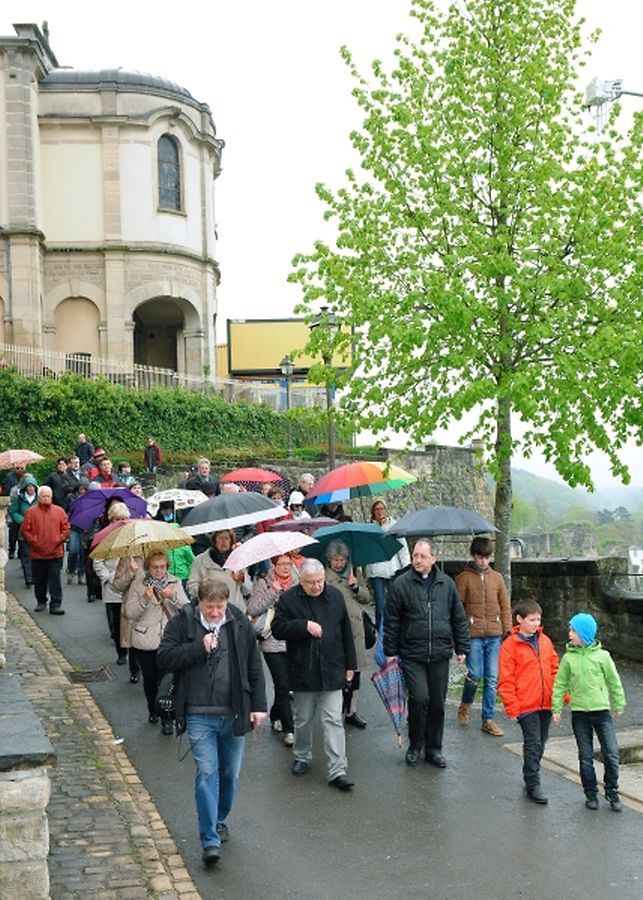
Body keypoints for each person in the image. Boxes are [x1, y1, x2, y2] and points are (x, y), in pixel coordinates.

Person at [157, 578, 267, 866]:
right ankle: (209, 839)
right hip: (198, 714)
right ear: (200, 603)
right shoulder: (183, 622)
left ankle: (218, 818)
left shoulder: (239, 622)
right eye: (210, 607)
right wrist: (198, 647)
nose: (216, 612)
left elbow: (254, 666)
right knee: (207, 772)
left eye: (220, 606)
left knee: (230, 774)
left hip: (233, 712)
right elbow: (164, 658)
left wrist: (258, 706)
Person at [272, 558, 357, 791]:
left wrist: (351, 664)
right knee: (303, 718)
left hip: (333, 667)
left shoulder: (335, 596)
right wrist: (303, 626)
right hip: (303, 670)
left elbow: (346, 632)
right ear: (301, 580)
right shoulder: (289, 599)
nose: (316, 586)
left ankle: (338, 770)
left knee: (333, 720)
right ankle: (302, 755)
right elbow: (277, 629)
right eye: (311, 582)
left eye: (320, 581)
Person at [384, 538, 469, 768]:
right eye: (415, 555)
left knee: (437, 704)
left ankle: (434, 749)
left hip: (440, 653)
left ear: (434, 558)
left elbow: (458, 617)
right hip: (412, 653)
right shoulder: (401, 584)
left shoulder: (447, 584)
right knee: (419, 699)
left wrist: (462, 647)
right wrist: (390, 651)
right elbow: (391, 621)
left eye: (422, 556)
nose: (417, 560)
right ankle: (415, 746)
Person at [552, 613, 626, 812]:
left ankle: (612, 791)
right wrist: (556, 708)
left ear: (584, 633)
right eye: (570, 630)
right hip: (580, 714)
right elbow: (560, 684)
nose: (569, 634)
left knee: (611, 754)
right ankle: (591, 793)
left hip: (602, 712)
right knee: (585, 756)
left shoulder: (603, 657)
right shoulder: (568, 658)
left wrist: (619, 703)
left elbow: (614, 681)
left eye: (573, 630)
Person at [119, 551, 189, 733]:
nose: (159, 571)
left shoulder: (175, 582)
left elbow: (188, 608)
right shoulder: (138, 584)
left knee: (167, 679)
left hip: (170, 640)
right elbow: (129, 613)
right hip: (145, 639)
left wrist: (173, 596)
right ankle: (152, 708)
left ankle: (167, 717)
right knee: (150, 679)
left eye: (162, 567)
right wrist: (144, 599)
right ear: (148, 568)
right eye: (155, 567)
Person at [498, 599, 559, 804]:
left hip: (545, 702)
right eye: (532, 620)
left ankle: (530, 774)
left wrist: (561, 695)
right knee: (533, 743)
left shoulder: (545, 641)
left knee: (541, 741)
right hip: (526, 704)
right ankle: (533, 783)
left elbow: (554, 669)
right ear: (519, 619)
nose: (536, 624)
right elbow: (506, 679)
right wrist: (512, 706)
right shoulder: (510, 645)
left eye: (538, 619)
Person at [456, 536, 511, 736]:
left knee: (492, 678)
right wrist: (459, 636)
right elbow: (456, 609)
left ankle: (488, 719)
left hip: (495, 634)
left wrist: (507, 629)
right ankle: (466, 704)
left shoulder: (497, 578)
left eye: (487, 558)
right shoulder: (463, 578)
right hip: (473, 635)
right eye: (480, 557)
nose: (484, 562)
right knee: (475, 674)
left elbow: (505, 605)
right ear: (473, 556)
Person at [246, 554, 299, 745]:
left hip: (293, 639)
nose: (286, 567)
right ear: (273, 565)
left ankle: (276, 713)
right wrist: (273, 592)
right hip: (272, 641)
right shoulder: (263, 583)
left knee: (287, 684)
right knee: (282, 684)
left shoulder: (297, 582)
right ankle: (289, 729)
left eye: (288, 564)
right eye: (281, 564)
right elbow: (253, 609)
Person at [324, 540, 371, 729]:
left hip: (356, 628)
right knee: (338, 671)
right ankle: (336, 711)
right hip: (335, 628)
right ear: (329, 559)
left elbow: (367, 598)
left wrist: (356, 587)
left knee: (356, 670)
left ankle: (352, 711)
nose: (339, 563)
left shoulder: (354, 572)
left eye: (342, 559)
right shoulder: (324, 577)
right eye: (335, 560)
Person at [21, 485, 71, 615]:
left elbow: (66, 529)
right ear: (39, 497)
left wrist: (58, 540)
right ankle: (41, 601)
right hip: (37, 553)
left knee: (55, 579)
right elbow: (25, 530)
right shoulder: (31, 512)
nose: (46, 499)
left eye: (48, 496)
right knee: (39, 579)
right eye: (44, 496)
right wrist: (35, 542)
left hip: (55, 552)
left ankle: (55, 604)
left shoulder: (59, 511)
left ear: (52, 497)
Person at [364, 499, 410, 631]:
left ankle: (395, 628)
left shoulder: (394, 526)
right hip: (376, 570)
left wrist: (406, 567)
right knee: (379, 603)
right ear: (373, 511)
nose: (380, 512)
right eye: (377, 509)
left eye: (382, 509)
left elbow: (402, 548)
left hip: (392, 569)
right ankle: (380, 630)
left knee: (394, 602)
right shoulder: (369, 528)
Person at [188, 529, 250, 610]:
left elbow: (248, 591)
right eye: (220, 538)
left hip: (235, 610)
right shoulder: (200, 560)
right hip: (211, 610)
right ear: (214, 540)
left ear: (231, 541)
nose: (223, 541)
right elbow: (192, 587)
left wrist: (243, 580)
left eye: (227, 538)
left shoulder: (238, 559)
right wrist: (207, 594)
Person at [10, 473, 39, 585]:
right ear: (25, 487)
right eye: (29, 486)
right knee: (26, 554)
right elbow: (13, 512)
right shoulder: (19, 498)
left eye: (33, 486)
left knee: (36, 554)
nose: (31, 489)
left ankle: (36, 575)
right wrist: (22, 520)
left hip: (37, 530)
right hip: (24, 530)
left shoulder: (39, 498)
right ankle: (29, 577)